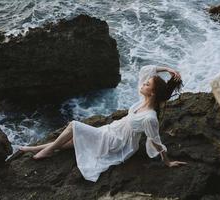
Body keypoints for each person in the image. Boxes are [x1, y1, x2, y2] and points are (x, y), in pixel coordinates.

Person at [19, 65, 187, 182]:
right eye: (146, 82)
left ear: (152, 92)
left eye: (147, 84)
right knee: (73, 141)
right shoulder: (143, 99)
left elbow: (156, 141)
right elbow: (145, 70)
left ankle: (47, 150)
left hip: (118, 142)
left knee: (74, 126)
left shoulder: (150, 117)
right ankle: (35, 148)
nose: (143, 84)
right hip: (112, 130)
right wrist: (168, 70)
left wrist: (167, 161)